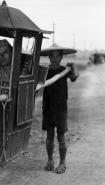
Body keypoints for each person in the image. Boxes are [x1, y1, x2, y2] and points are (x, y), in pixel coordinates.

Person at [40, 43, 79, 174]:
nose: (55, 59)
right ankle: (50, 160)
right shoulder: (44, 71)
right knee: (49, 135)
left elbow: (75, 76)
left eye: (57, 56)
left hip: (61, 108)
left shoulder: (65, 70)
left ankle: (62, 162)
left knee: (61, 136)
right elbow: (36, 85)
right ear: (49, 57)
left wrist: (72, 65)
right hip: (47, 107)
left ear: (61, 57)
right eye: (52, 56)